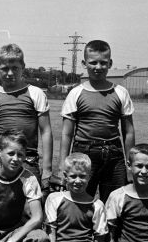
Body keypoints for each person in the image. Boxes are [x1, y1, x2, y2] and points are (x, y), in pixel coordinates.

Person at [57, 40, 135, 202]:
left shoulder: (120, 92)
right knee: (80, 200)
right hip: (84, 152)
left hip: (114, 154)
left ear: (110, 63)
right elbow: (66, 133)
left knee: (115, 202)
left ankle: (109, 228)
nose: (98, 67)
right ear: (84, 63)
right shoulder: (76, 93)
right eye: (93, 63)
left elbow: (128, 132)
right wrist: (62, 166)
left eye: (103, 63)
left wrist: (130, 164)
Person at [0, 44, 53, 194]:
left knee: (29, 208)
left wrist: (47, 169)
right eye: (4, 68)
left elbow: (46, 131)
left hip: (28, 161)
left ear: (23, 67)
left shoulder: (35, 93)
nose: (9, 73)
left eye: (15, 68)